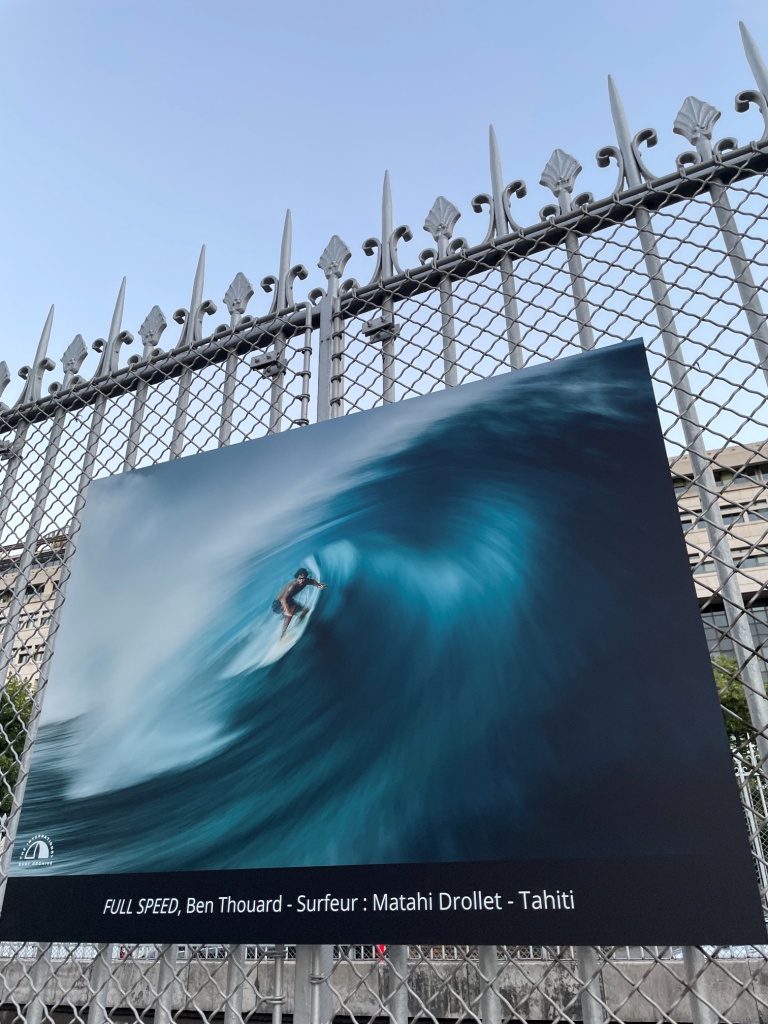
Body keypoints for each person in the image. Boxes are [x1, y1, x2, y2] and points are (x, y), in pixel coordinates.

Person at [272, 568, 326, 637]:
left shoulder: (305, 581)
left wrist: (318, 585)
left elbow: (312, 581)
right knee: (290, 613)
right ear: (297, 577)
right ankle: (282, 635)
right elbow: (283, 599)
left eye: (303, 578)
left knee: (306, 610)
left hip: (289, 600)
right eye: (300, 578)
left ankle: (299, 622)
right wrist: (287, 610)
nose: (301, 581)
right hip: (277, 604)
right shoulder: (292, 586)